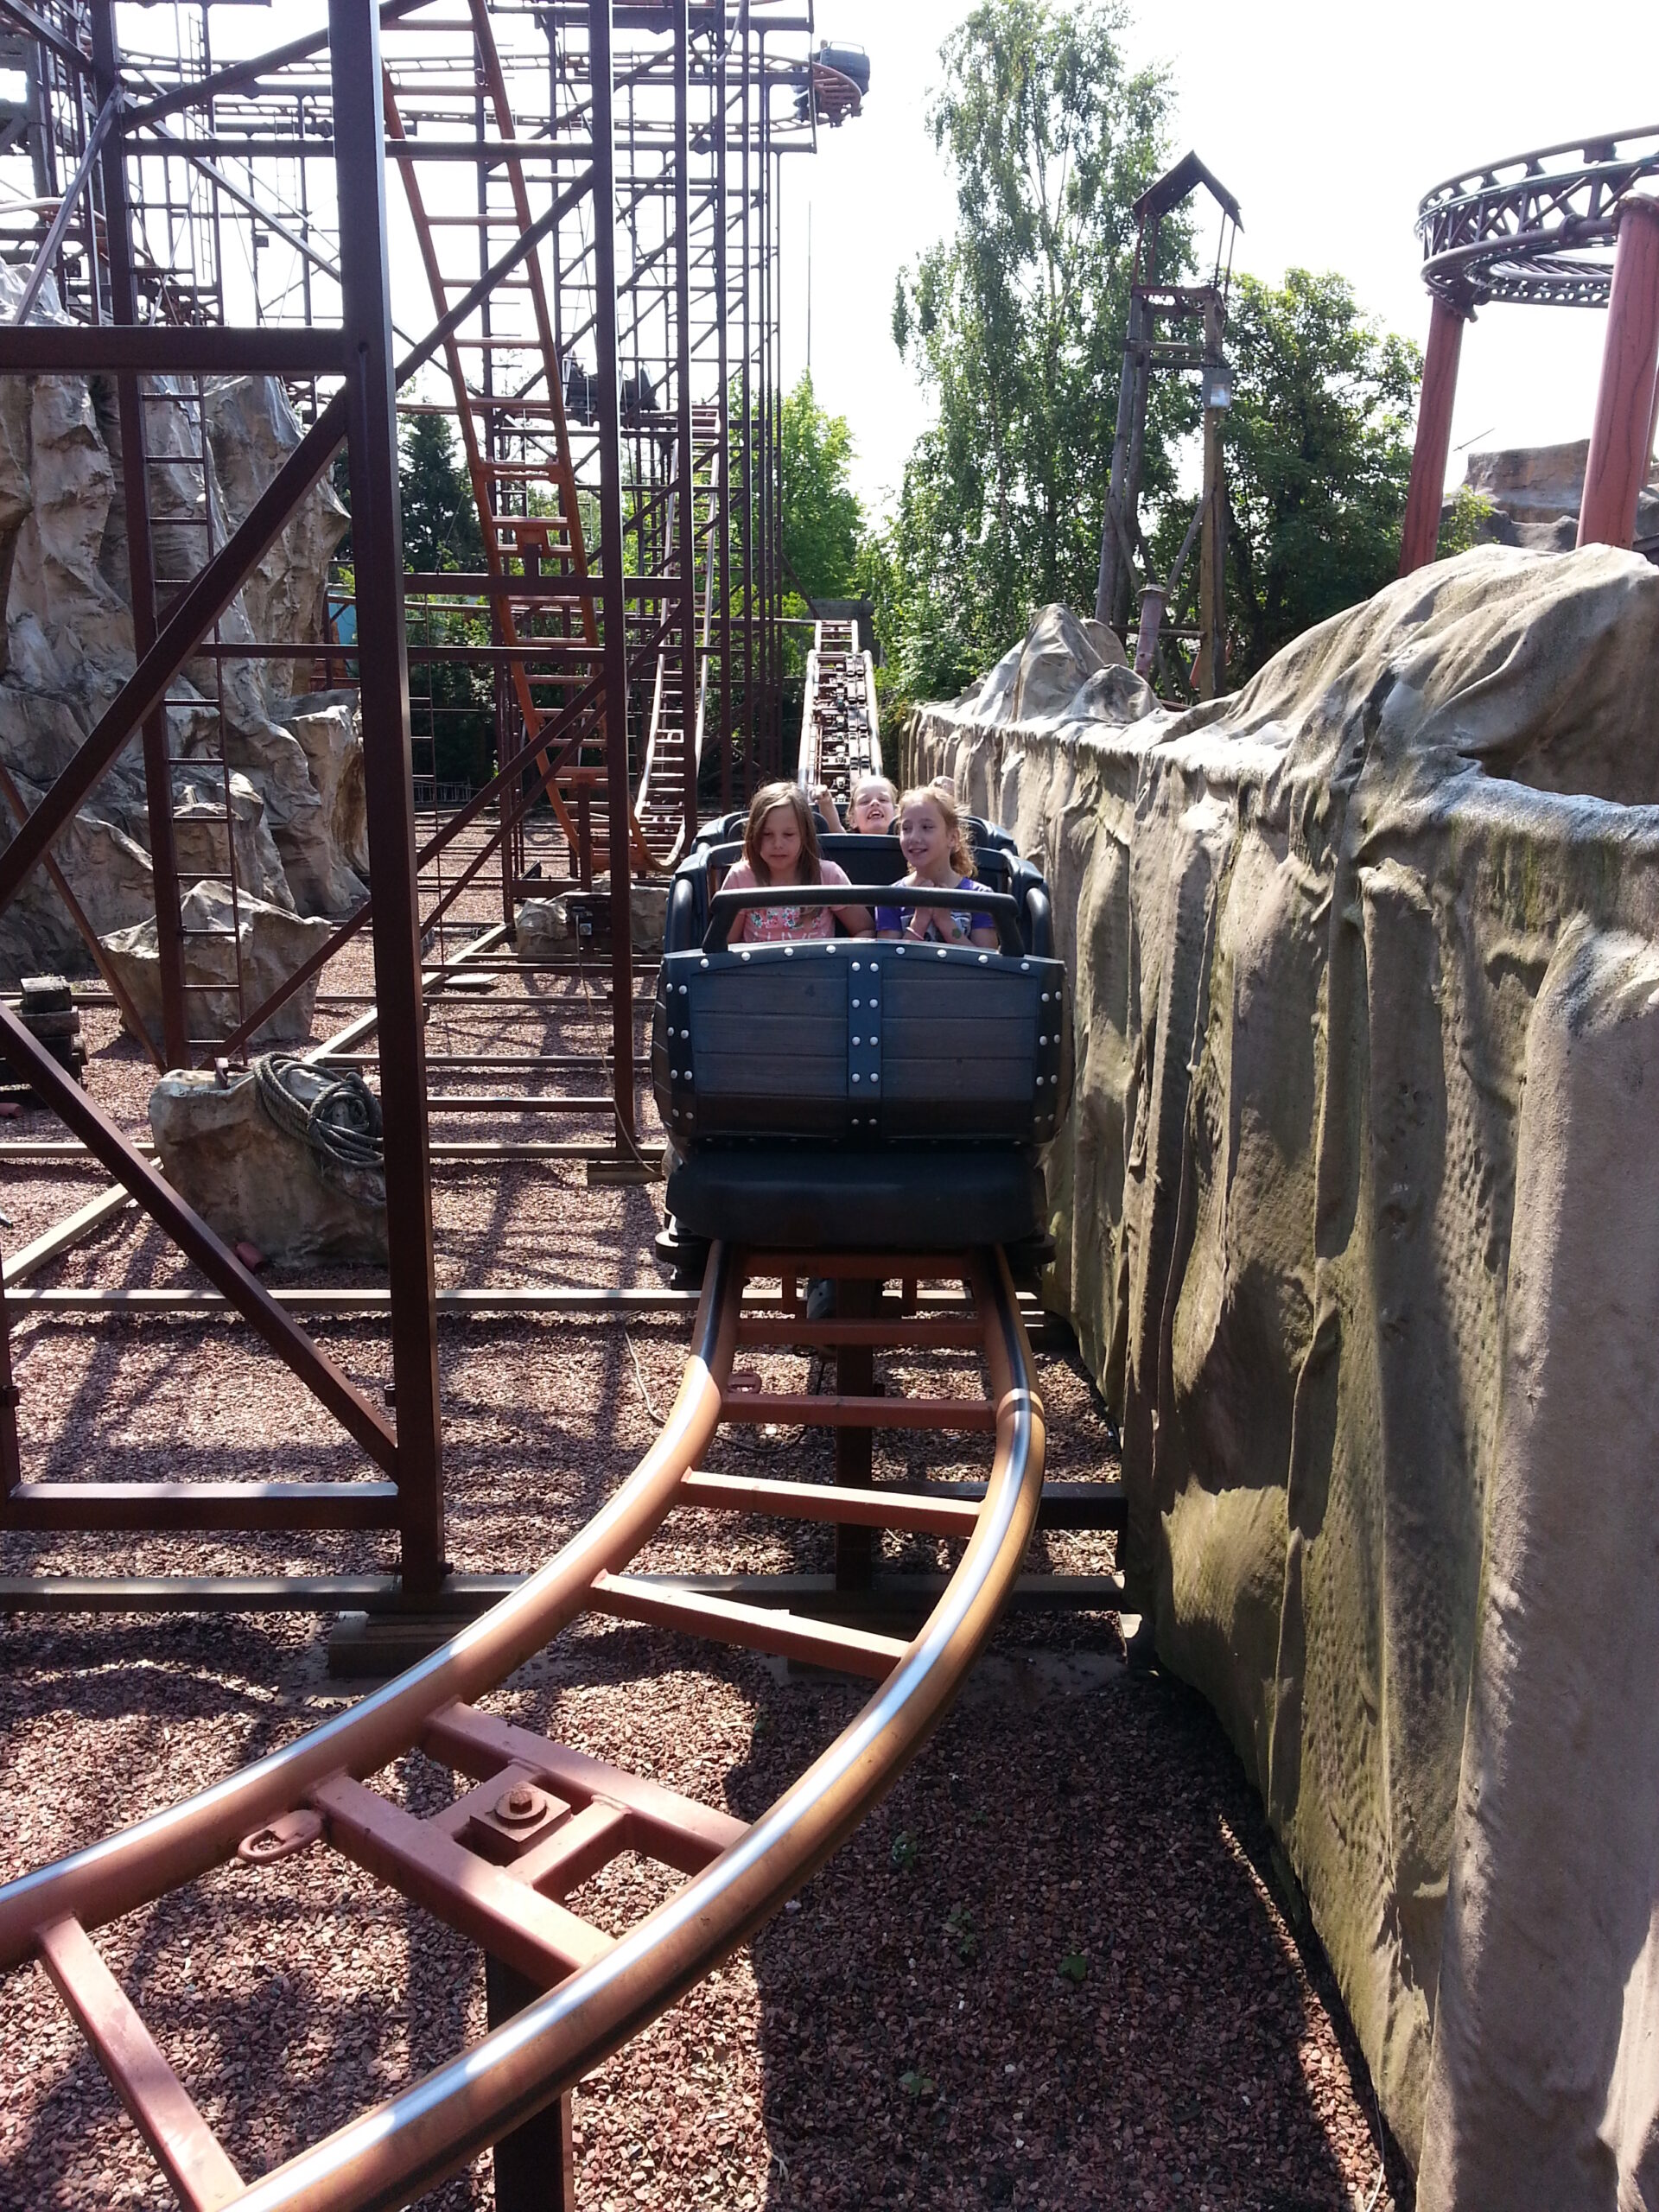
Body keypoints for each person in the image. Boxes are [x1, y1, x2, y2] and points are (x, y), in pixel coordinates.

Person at [721, 782, 872, 942]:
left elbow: (865, 929)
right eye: (767, 834)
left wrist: (846, 954)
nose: (778, 844)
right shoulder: (740, 878)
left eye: (788, 835)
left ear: (804, 835)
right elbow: (725, 943)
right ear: (754, 834)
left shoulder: (828, 876)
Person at [875, 785, 997, 949]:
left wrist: (946, 923)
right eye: (906, 829)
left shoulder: (981, 898)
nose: (914, 837)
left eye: (926, 827)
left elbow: (986, 961)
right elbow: (890, 961)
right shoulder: (889, 900)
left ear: (952, 838)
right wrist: (919, 921)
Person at [813, 773, 899, 836]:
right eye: (865, 801)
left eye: (883, 800)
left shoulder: (904, 842)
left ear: (896, 813)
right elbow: (835, 829)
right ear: (853, 819)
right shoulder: (848, 845)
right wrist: (826, 802)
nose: (875, 802)